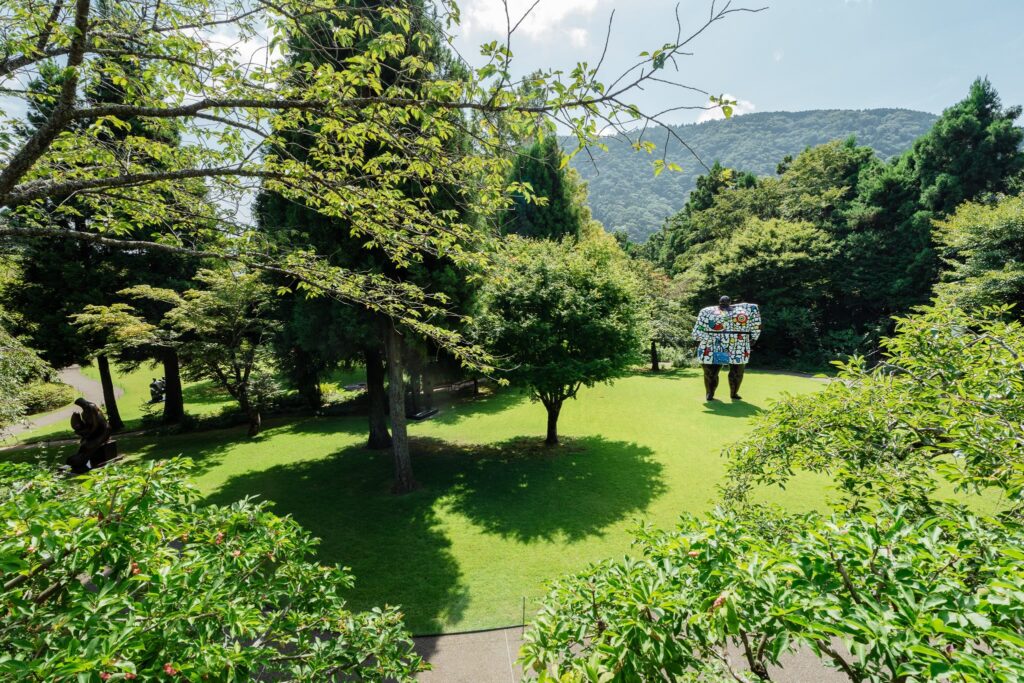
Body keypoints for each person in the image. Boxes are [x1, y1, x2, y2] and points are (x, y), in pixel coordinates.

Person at [691, 295, 762, 401]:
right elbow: (698, 330)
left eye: (726, 301)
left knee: (737, 372)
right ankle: (709, 393)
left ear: (730, 302)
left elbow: (756, 324)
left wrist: (754, 336)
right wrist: (704, 337)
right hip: (714, 345)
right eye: (722, 301)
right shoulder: (707, 311)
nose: (723, 303)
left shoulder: (744, 311)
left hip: (738, 345)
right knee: (711, 372)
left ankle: (734, 393)